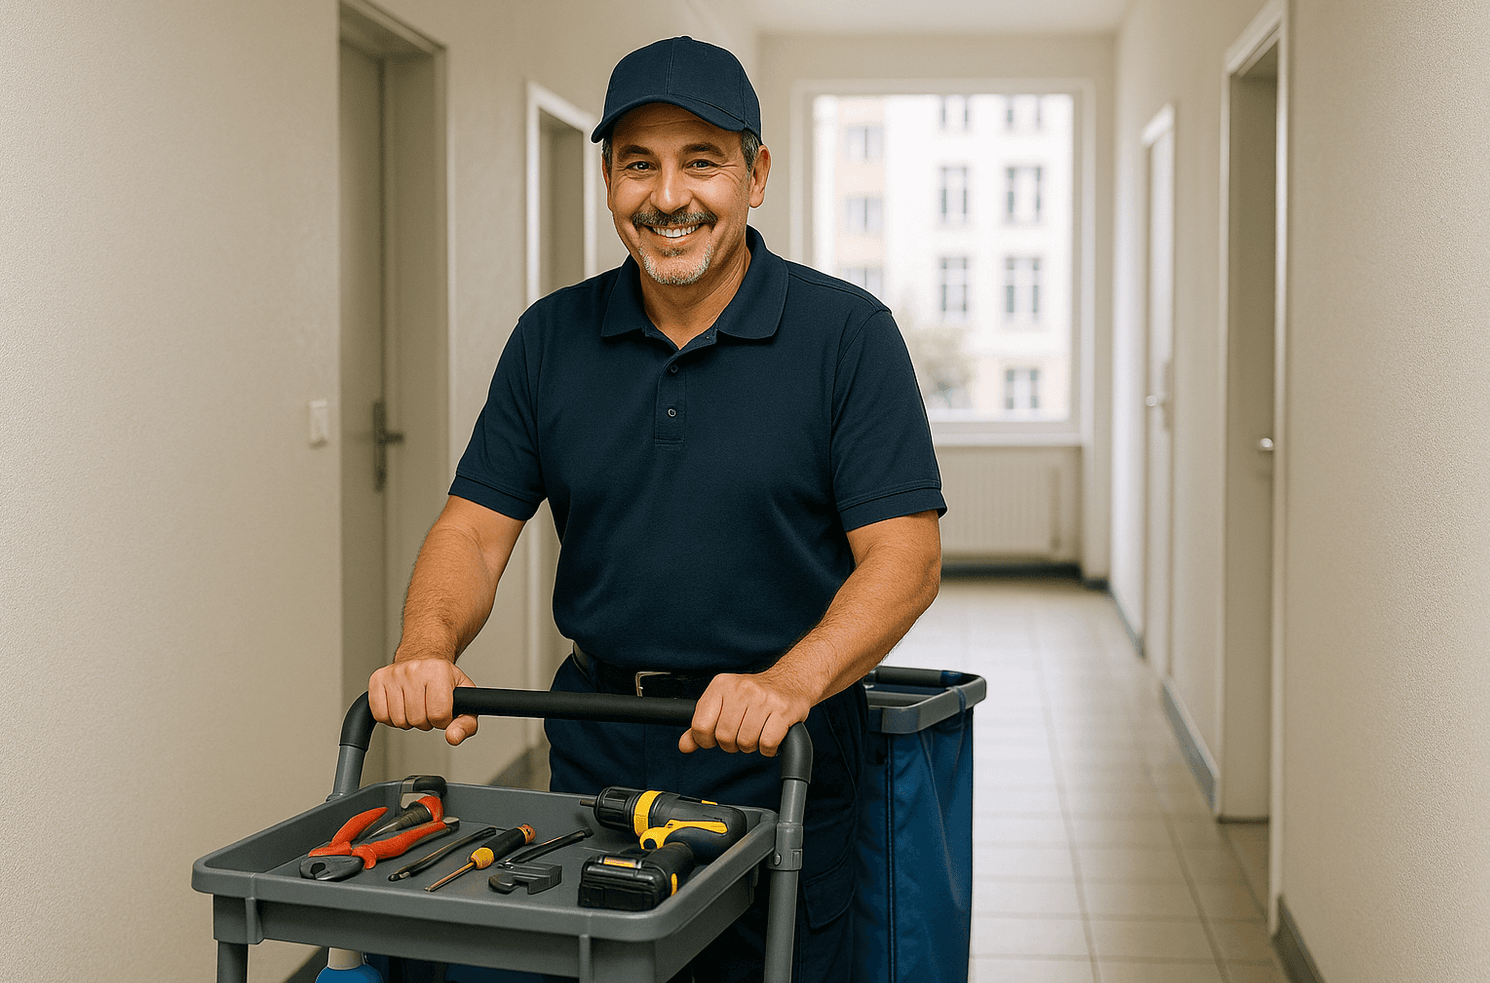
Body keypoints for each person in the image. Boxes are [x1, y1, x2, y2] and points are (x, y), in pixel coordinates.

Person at [369, 36, 944, 983]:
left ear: (757, 175)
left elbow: (906, 559)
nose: (668, 196)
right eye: (639, 164)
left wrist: (788, 683)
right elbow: (472, 529)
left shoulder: (848, 336)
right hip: (598, 742)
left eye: (701, 162)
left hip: (781, 755)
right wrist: (426, 646)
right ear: (608, 180)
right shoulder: (548, 338)